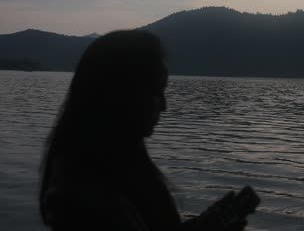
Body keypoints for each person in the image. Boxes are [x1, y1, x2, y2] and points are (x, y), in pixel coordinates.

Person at [39, 30, 259, 231]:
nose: (164, 106)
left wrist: (205, 226)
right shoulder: (82, 197)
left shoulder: (111, 168)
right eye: (156, 92)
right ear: (122, 92)